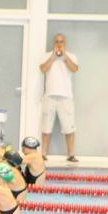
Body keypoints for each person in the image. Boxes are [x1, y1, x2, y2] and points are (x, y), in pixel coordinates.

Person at [39, 33, 79, 163]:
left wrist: (64, 56)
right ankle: (43, 153)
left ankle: (71, 154)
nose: (59, 44)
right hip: (49, 95)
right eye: (57, 41)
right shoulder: (47, 56)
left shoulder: (71, 56)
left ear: (65, 43)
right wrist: (53, 57)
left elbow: (75, 69)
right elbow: (42, 69)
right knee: (46, 126)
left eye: (61, 41)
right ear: (54, 43)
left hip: (66, 96)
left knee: (69, 127)